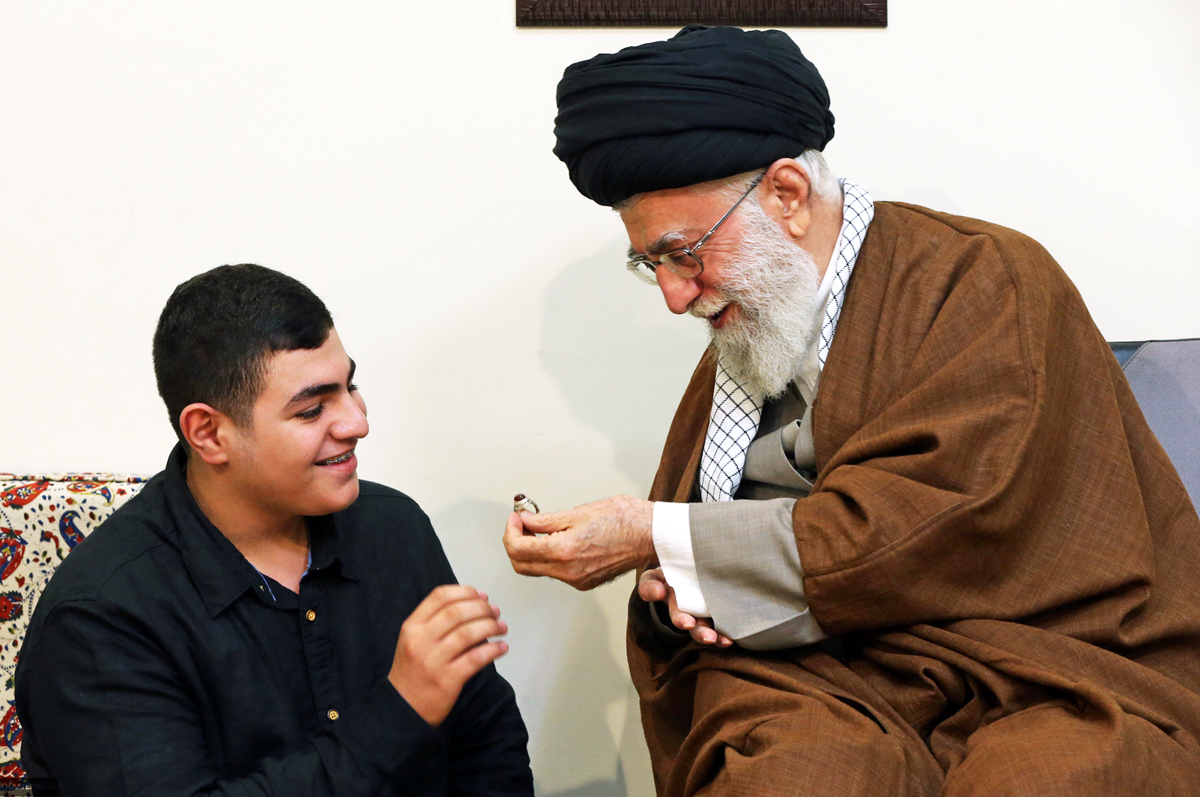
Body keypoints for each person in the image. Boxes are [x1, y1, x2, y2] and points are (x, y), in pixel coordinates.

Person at [503, 25, 1200, 795]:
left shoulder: (984, 281)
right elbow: (715, 531)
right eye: (652, 265)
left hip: (1043, 661)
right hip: (822, 673)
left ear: (787, 195)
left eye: (685, 252)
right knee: (793, 778)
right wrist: (679, 591)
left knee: (1046, 776)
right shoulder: (747, 340)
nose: (674, 297)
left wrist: (656, 536)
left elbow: (929, 526)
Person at [16, 264, 534, 796]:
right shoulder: (102, 619)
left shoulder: (392, 528)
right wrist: (398, 713)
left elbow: (487, 746)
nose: (356, 422)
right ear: (209, 433)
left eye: (350, 386)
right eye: (312, 409)